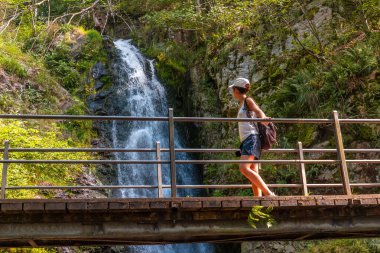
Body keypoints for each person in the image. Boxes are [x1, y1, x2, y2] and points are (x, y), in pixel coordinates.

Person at [228, 77, 275, 197]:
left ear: (236, 90)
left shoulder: (248, 100)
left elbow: (258, 111)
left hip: (251, 138)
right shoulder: (242, 103)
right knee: (253, 171)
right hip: (247, 140)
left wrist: (264, 119)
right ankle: (258, 202)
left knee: (244, 168)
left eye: (233, 89)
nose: (232, 92)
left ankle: (269, 194)